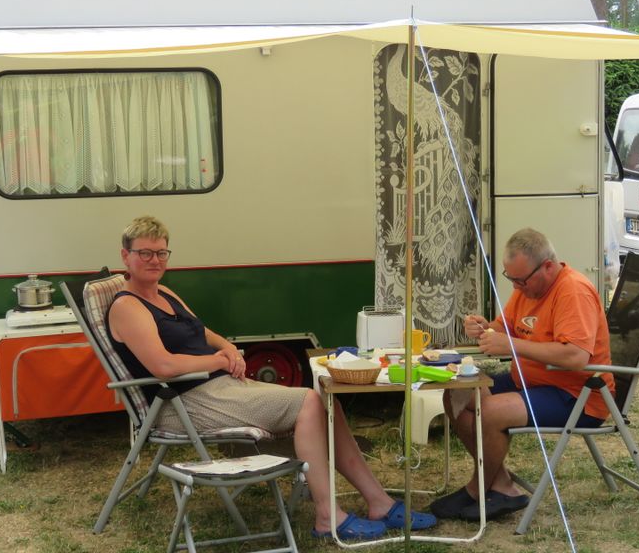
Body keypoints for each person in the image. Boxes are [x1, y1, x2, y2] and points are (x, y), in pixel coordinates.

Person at [106, 216, 437, 540]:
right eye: (144, 253)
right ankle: (327, 516)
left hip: (218, 387)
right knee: (309, 402)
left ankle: (379, 502)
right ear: (125, 256)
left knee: (327, 404)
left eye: (161, 252)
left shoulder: (164, 293)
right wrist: (217, 360)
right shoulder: (128, 307)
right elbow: (162, 366)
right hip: (182, 404)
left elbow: (204, 332)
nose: (154, 260)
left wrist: (228, 349)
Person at [430, 228, 615, 521]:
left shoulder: (573, 291)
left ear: (548, 266)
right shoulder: (528, 287)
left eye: (521, 280)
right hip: (531, 382)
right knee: (456, 393)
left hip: (577, 395)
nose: (516, 287)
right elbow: (505, 328)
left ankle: (478, 489)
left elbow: (576, 356)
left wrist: (511, 345)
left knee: (490, 411)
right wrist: (484, 328)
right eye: (511, 279)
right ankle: (501, 485)